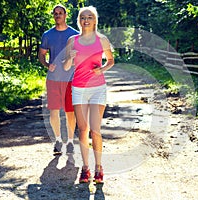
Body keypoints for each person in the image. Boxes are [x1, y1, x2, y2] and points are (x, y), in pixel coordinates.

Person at [64, 6, 114, 183]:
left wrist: (101, 70)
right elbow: (66, 66)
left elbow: (110, 61)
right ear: (79, 20)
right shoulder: (72, 40)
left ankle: (98, 168)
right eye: (83, 17)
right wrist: (70, 57)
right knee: (83, 129)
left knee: (95, 130)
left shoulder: (102, 40)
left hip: (98, 89)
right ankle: (85, 169)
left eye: (90, 17)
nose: (86, 20)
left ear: (95, 20)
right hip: (78, 89)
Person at [39, 4, 79, 155]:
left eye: (60, 13)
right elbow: (41, 54)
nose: (58, 16)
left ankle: (69, 142)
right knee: (54, 111)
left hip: (71, 79)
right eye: (55, 13)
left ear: (65, 15)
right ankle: (57, 141)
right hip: (53, 79)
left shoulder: (75, 34)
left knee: (70, 112)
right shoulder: (47, 35)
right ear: (53, 16)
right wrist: (47, 64)